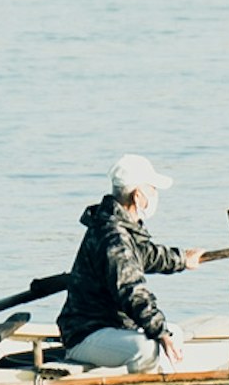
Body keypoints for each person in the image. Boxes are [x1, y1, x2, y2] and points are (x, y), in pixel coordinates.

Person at [51, 155, 182, 370]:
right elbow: (132, 292)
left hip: (113, 327)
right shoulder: (114, 237)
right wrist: (160, 333)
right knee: (147, 348)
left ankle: (155, 382)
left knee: (175, 333)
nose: (156, 195)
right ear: (138, 196)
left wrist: (184, 259)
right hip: (86, 333)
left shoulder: (121, 226)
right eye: (152, 189)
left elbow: (147, 255)